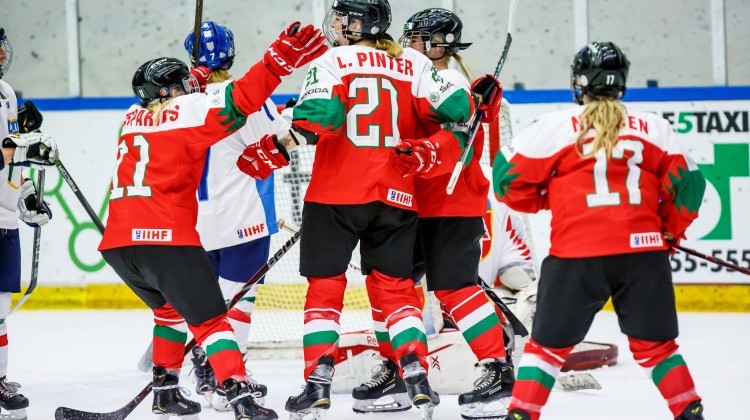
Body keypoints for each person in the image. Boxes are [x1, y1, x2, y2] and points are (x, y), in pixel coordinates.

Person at [235, 1, 501, 418]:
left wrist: (277, 146)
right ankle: (410, 371)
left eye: (343, 18)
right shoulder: (413, 68)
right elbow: (461, 111)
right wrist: (475, 101)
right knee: (393, 289)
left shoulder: (334, 59)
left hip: (339, 193)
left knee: (326, 289)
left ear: (357, 24)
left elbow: (319, 117)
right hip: (399, 196)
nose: (336, 24)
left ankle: (317, 380)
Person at [97, 23, 326, 420]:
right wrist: (276, 62)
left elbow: (180, 100)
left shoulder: (132, 116)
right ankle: (237, 395)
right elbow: (242, 99)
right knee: (213, 322)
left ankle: (165, 392)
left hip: (119, 243)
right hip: (171, 237)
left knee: (169, 312)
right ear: (171, 93)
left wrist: (195, 80)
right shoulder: (188, 111)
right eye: (182, 85)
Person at [494, 42, 707, 420]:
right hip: (642, 256)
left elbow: (506, 179)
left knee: (545, 351)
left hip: (576, 255)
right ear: (621, 82)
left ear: (578, 83)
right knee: (659, 349)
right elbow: (690, 186)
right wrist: (669, 232)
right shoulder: (655, 127)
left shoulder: (555, 126)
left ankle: (521, 416)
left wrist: (547, 199)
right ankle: (690, 413)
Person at [350, 9, 514, 419]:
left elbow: (463, 142)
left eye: (421, 39)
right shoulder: (405, 73)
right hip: (401, 201)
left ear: (442, 44)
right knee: (389, 285)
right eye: (410, 36)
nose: (411, 44)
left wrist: (429, 152)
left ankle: (497, 370)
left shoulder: (452, 81)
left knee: (454, 288)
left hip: (448, 201)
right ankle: (398, 368)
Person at [182, 20, 289, 411]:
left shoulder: (177, 100)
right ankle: (232, 376)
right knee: (240, 302)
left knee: (205, 306)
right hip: (242, 217)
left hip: (193, 220)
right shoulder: (246, 93)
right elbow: (275, 143)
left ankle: (207, 370)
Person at [0, 24, 57, 420]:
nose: (2, 54)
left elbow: (9, 167)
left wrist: (25, 196)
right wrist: (22, 150)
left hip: (4, 219)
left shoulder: (6, 95)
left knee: (1, 307)